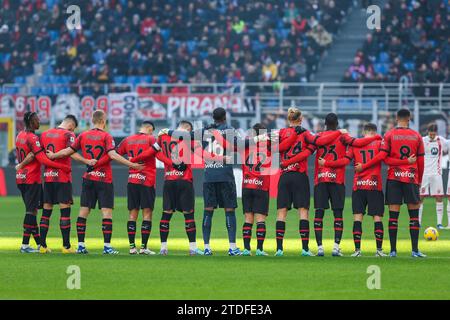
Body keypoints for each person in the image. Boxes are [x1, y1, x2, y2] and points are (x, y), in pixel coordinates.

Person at [46, 110, 143, 255]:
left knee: (83, 212)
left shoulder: (83, 135)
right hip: (104, 178)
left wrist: (53, 155)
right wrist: (131, 164)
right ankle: (107, 247)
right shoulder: (106, 136)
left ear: (92, 120)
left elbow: (68, 151)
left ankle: (80, 245)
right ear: (104, 121)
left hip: (89, 178)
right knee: (106, 212)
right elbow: (112, 154)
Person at [324, 123, 413, 257]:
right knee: (377, 218)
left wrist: (325, 163)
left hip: (358, 186)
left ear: (363, 132)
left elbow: (345, 161)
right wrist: (407, 162)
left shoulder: (355, 144)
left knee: (357, 218)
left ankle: (357, 251)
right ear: (375, 131)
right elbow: (385, 158)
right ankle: (379, 250)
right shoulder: (379, 143)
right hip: (374, 185)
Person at [132, 120, 208, 256]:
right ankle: (193, 248)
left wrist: (133, 160)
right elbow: (202, 153)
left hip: (169, 180)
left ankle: (163, 248)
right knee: (188, 214)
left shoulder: (162, 137)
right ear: (188, 129)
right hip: (184, 180)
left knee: (166, 214)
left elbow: (153, 152)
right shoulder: (188, 138)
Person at [310, 113, 381, 257]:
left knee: (319, 213)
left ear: (325, 123)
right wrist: (376, 137)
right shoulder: (343, 136)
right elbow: (358, 144)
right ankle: (336, 247)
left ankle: (320, 248)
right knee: (338, 214)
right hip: (337, 180)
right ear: (337, 124)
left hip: (321, 179)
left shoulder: (318, 136)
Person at [275, 107, 343, 257]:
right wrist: (339, 132)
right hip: (300, 176)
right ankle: (305, 249)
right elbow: (321, 141)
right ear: (301, 119)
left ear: (288, 119)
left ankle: (279, 249)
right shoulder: (305, 133)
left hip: (285, 175)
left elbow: (275, 149)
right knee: (303, 212)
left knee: (281, 212)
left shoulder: (280, 133)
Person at [360, 109, 426, 258]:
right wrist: (419, 180)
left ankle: (393, 251)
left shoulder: (389, 134)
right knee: (413, 216)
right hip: (411, 178)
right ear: (409, 118)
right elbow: (421, 162)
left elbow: (385, 159)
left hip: (394, 179)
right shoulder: (417, 136)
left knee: (393, 216)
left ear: (396, 118)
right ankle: (415, 250)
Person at [15, 111, 71, 253]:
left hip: (21, 177)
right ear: (31, 122)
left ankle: (40, 244)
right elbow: (44, 160)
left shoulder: (19, 135)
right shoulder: (33, 138)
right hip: (31, 178)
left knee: (32, 210)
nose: (39, 122)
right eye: (37, 120)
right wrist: (62, 166)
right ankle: (25, 245)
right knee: (30, 211)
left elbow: (28, 156)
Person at [38, 115, 96, 253]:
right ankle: (66, 246)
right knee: (65, 211)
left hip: (48, 177)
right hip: (62, 177)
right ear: (71, 125)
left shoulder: (45, 134)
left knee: (46, 212)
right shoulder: (68, 134)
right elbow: (72, 153)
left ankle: (42, 246)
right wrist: (87, 161)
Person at [116, 121, 172, 255]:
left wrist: (130, 163)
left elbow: (116, 154)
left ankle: (131, 248)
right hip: (147, 180)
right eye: (152, 130)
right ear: (149, 129)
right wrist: (171, 163)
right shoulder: (151, 139)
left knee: (132, 213)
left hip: (132, 180)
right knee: (147, 213)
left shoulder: (127, 140)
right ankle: (143, 248)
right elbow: (157, 154)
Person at [418, 124, 449, 229]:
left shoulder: (442, 140)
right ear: (427, 132)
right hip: (424, 174)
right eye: (430, 133)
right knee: (421, 198)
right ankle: (418, 222)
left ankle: (439, 223)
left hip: (437, 173)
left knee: (439, 197)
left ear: (436, 132)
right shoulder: (422, 140)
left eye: (433, 133)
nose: (432, 135)